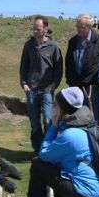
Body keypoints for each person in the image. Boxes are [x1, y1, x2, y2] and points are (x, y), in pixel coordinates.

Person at [15, 87, 99, 197]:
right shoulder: (87, 124)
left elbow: (44, 154)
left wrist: (53, 127)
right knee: (58, 165)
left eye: (55, 105)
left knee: (38, 165)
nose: (52, 107)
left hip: (87, 192)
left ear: (62, 109)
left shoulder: (70, 135)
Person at [19, 15, 63, 152]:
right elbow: (23, 66)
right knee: (35, 122)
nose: (35, 31)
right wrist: (24, 83)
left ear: (45, 29)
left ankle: (49, 149)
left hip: (47, 90)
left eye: (38, 29)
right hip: (31, 89)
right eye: (34, 29)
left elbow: (59, 68)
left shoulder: (54, 46)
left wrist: (54, 84)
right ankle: (38, 150)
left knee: (48, 121)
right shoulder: (29, 45)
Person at [64, 14, 99, 126]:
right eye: (77, 26)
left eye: (82, 27)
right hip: (75, 86)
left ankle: (97, 140)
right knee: (78, 117)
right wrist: (69, 80)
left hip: (92, 87)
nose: (79, 29)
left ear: (90, 27)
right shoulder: (73, 41)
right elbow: (68, 62)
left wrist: (98, 83)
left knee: (94, 116)